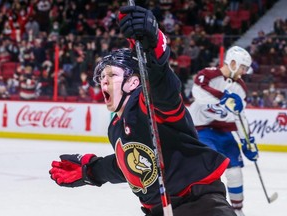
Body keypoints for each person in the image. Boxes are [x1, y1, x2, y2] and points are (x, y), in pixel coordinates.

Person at [49, 6, 236, 216]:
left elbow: (164, 91)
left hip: (200, 205)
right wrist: (92, 171)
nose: (104, 82)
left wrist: (152, 50)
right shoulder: (116, 127)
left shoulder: (146, 102)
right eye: (102, 78)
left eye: (112, 75)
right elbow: (133, 165)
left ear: (133, 82)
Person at [187, 46, 259, 216]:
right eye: (242, 67)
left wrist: (247, 141)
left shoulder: (240, 88)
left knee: (234, 172)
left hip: (223, 133)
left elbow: (240, 116)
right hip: (202, 130)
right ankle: (205, 207)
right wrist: (224, 98)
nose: (243, 72)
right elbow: (197, 93)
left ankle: (237, 210)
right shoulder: (209, 74)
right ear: (233, 63)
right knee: (209, 168)